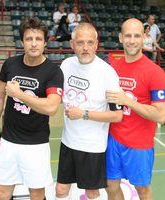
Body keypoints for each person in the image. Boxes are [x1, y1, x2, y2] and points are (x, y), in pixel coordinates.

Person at [0, 16, 64, 200]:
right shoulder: (10, 64)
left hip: (36, 144)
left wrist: (20, 94)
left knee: (37, 194)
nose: (34, 44)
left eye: (38, 39)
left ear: (45, 43)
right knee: (2, 192)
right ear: (22, 42)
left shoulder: (53, 72)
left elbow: (52, 107)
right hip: (9, 141)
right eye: (29, 39)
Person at [55, 22, 123, 200]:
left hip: (92, 146)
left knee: (92, 193)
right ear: (72, 44)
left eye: (90, 42)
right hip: (68, 141)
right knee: (61, 190)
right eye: (80, 43)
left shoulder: (107, 73)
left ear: (97, 43)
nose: (85, 48)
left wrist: (84, 114)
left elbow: (117, 115)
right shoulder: (66, 65)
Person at [106, 18, 165, 200]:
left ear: (144, 38)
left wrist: (128, 101)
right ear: (120, 37)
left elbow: (160, 115)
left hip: (139, 144)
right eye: (127, 36)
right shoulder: (112, 69)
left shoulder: (155, 72)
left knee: (142, 190)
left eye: (136, 36)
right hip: (113, 139)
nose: (132, 40)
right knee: (111, 185)